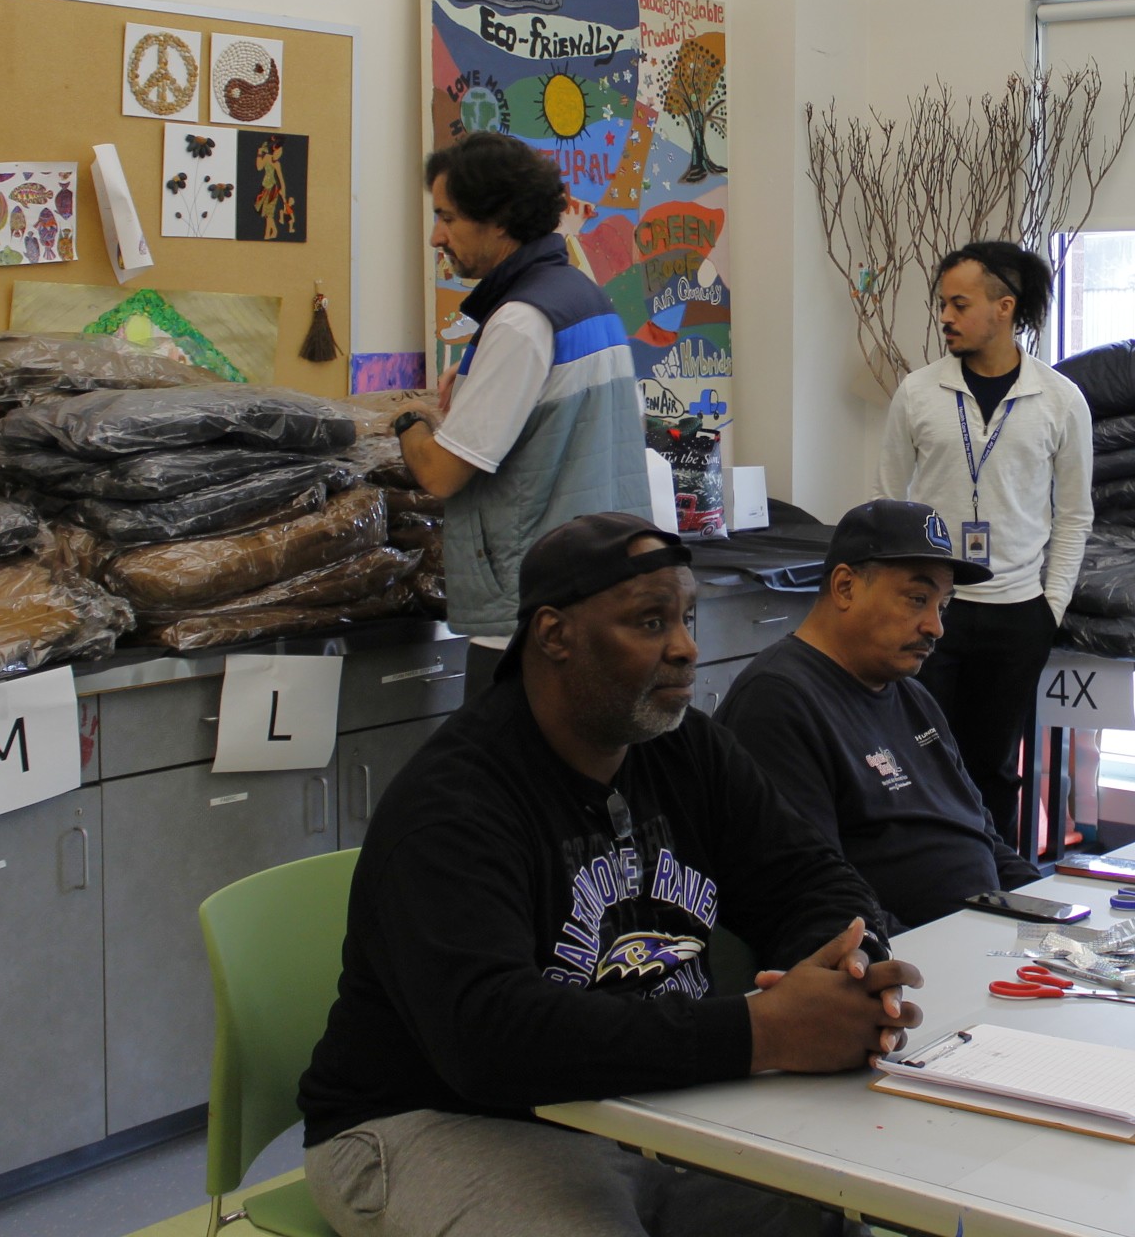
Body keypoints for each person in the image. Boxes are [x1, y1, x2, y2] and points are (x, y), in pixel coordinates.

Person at [297, 512, 925, 1237]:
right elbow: (488, 1038)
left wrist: (847, 967)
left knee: (830, 1222)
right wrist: (761, 1034)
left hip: (639, 1103)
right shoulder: (455, 804)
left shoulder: (684, 747)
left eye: (688, 617)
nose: (687, 648)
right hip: (431, 1119)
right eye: (651, 622)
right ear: (555, 635)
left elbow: (808, 875)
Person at [716, 499, 1041, 933]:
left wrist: (1051, 915)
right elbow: (814, 895)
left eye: (942, 605)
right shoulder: (778, 702)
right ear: (846, 587)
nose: (936, 627)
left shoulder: (913, 697)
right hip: (905, 967)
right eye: (917, 599)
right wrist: (937, 958)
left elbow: (984, 837)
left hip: (980, 943)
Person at [395, 132, 653, 643]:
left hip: (529, 615)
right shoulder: (584, 299)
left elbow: (441, 474)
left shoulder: (520, 321)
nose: (436, 238)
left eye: (447, 218)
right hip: (594, 593)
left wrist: (409, 421)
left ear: (500, 218)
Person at [876, 241, 1094, 845]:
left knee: (994, 768)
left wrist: (1049, 609)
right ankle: (927, 886)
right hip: (931, 613)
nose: (945, 316)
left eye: (959, 303)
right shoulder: (918, 393)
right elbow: (888, 504)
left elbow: (1075, 515)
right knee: (919, 761)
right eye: (942, 303)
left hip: (1018, 615)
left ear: (1004, 307)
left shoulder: (1059, 399)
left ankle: (992, 882)